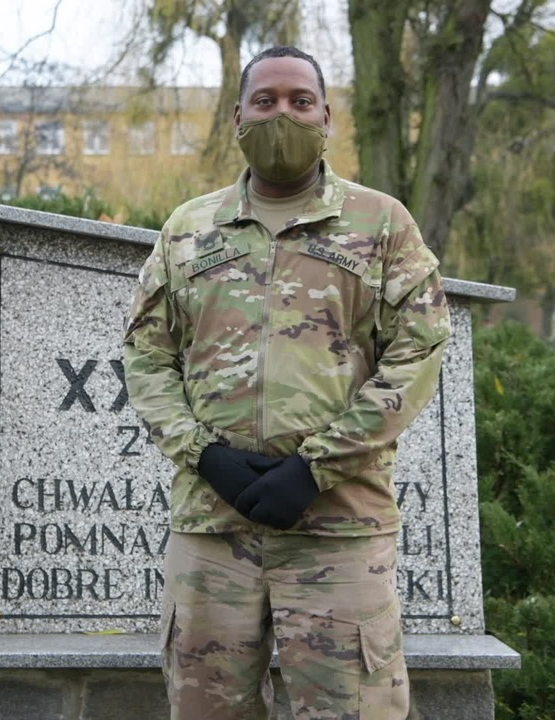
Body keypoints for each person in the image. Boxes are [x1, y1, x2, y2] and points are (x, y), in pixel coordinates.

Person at [122, 46, 451, 720]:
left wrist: (316, 468)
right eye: (265, 100)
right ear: (238, 115)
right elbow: (146, 356)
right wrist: (202, 454)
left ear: (327, 116)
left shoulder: (382, 224)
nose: (283, 113)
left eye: (300, 101)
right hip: (213, 529)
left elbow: (418, 355)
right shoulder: (188, 229)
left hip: (338, 529)